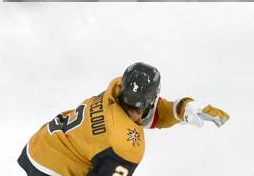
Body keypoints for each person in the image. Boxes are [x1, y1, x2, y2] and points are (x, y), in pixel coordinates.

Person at [18, 62, 230, 175]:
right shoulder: (126, 146)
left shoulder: (117, 87)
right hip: (53, 169)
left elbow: (143, 112)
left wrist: (180, 108)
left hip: (44, 142)